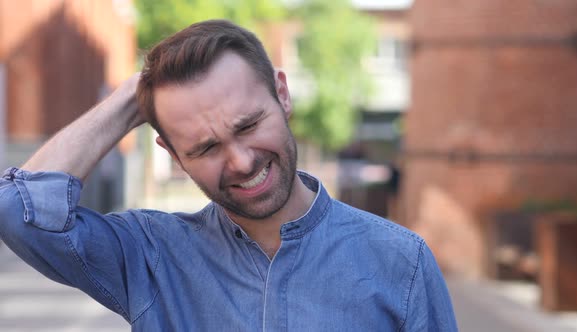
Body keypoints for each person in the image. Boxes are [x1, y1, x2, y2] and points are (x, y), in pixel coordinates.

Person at [0, 20, 457, 331]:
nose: (239, 162)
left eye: (248, 125)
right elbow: (19, 212)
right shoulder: (152, 255)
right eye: (204, 147)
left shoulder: (402, 262)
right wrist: (130, 101)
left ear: (282, 94)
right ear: (174, 155)